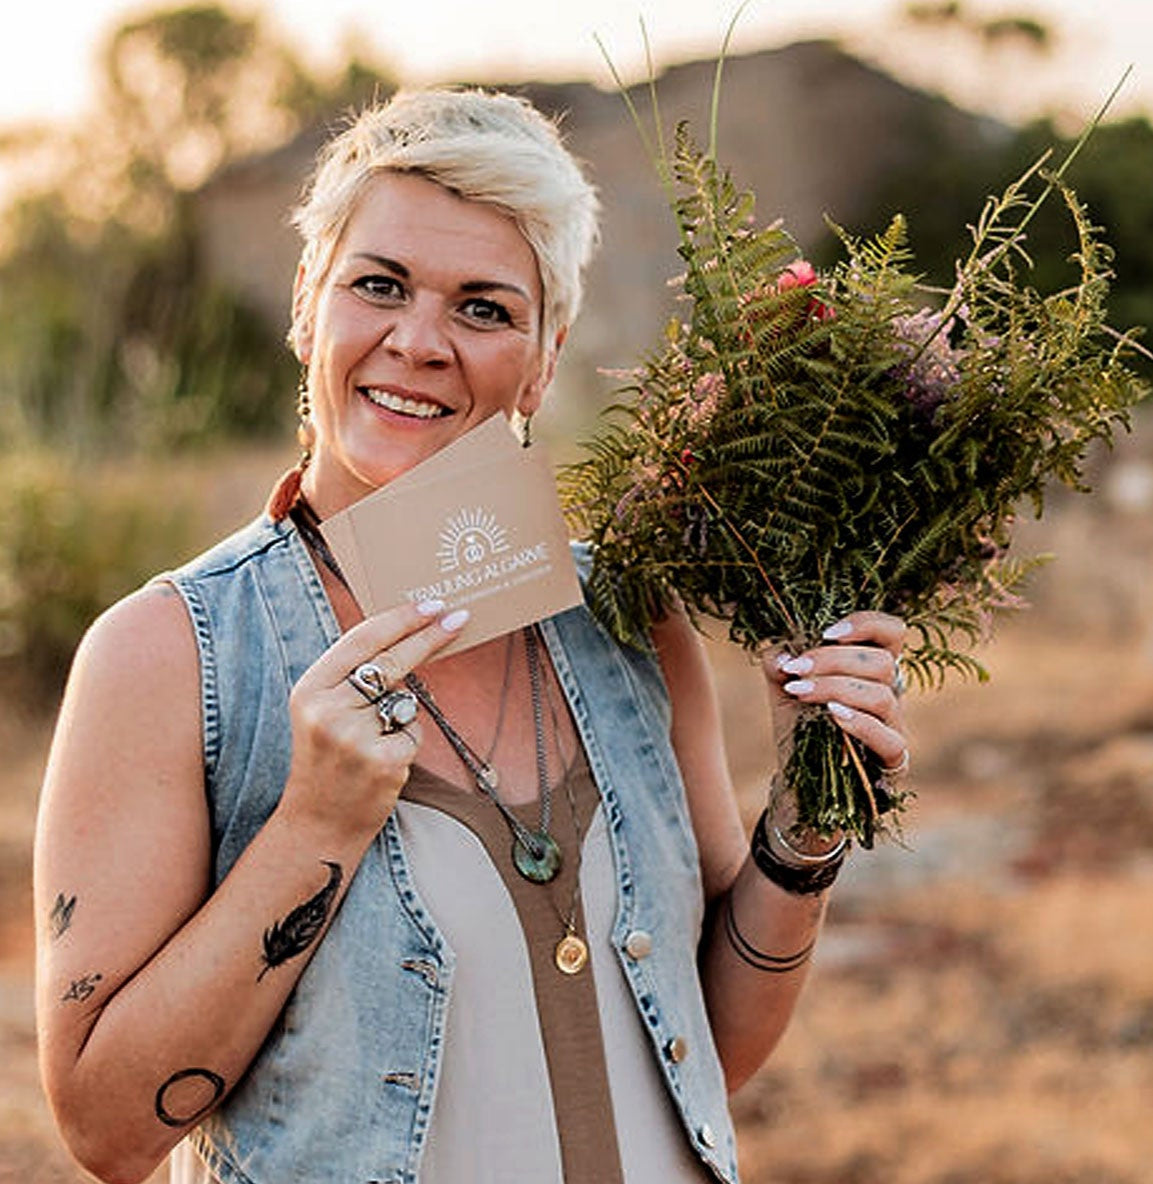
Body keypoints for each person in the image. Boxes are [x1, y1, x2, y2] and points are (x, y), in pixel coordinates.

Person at [34, 88, 909, 1184]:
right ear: (307, 305)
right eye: (378, 285)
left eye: (484, 309)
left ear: (543, 360)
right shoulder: (168, 653)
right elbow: (107, 1131)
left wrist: (806, 823)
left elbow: (708, 1050)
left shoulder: (630, 617)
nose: (418, 342)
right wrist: (314, 825)